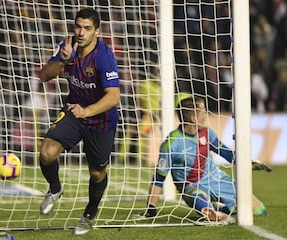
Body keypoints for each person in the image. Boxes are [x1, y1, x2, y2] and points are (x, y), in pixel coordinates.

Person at [38, 8, 120, 235]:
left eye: (87, 28)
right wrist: (62, 60)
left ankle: (90, 213)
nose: (81, 33)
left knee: (97, 173)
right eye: (78, 27)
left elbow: (114, 96)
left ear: (97, 31)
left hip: (101, 120)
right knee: (47, 153)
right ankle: (55, 189)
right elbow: (44, 76)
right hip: (74, 112)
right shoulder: (68, 47)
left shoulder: (103, 55)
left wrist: (88, 111)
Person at [138, 95, 267, 222]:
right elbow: (159, 178)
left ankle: (223, 209)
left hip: (217, 179)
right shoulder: (172, 143)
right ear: (194, 118)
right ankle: (213, 210)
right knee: (202, 203)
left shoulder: (207, 133)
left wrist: (248, 164)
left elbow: (227, 154)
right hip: (192, 187)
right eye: (203, 112)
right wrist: (151, 208)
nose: (206, 116)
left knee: (260, 211)